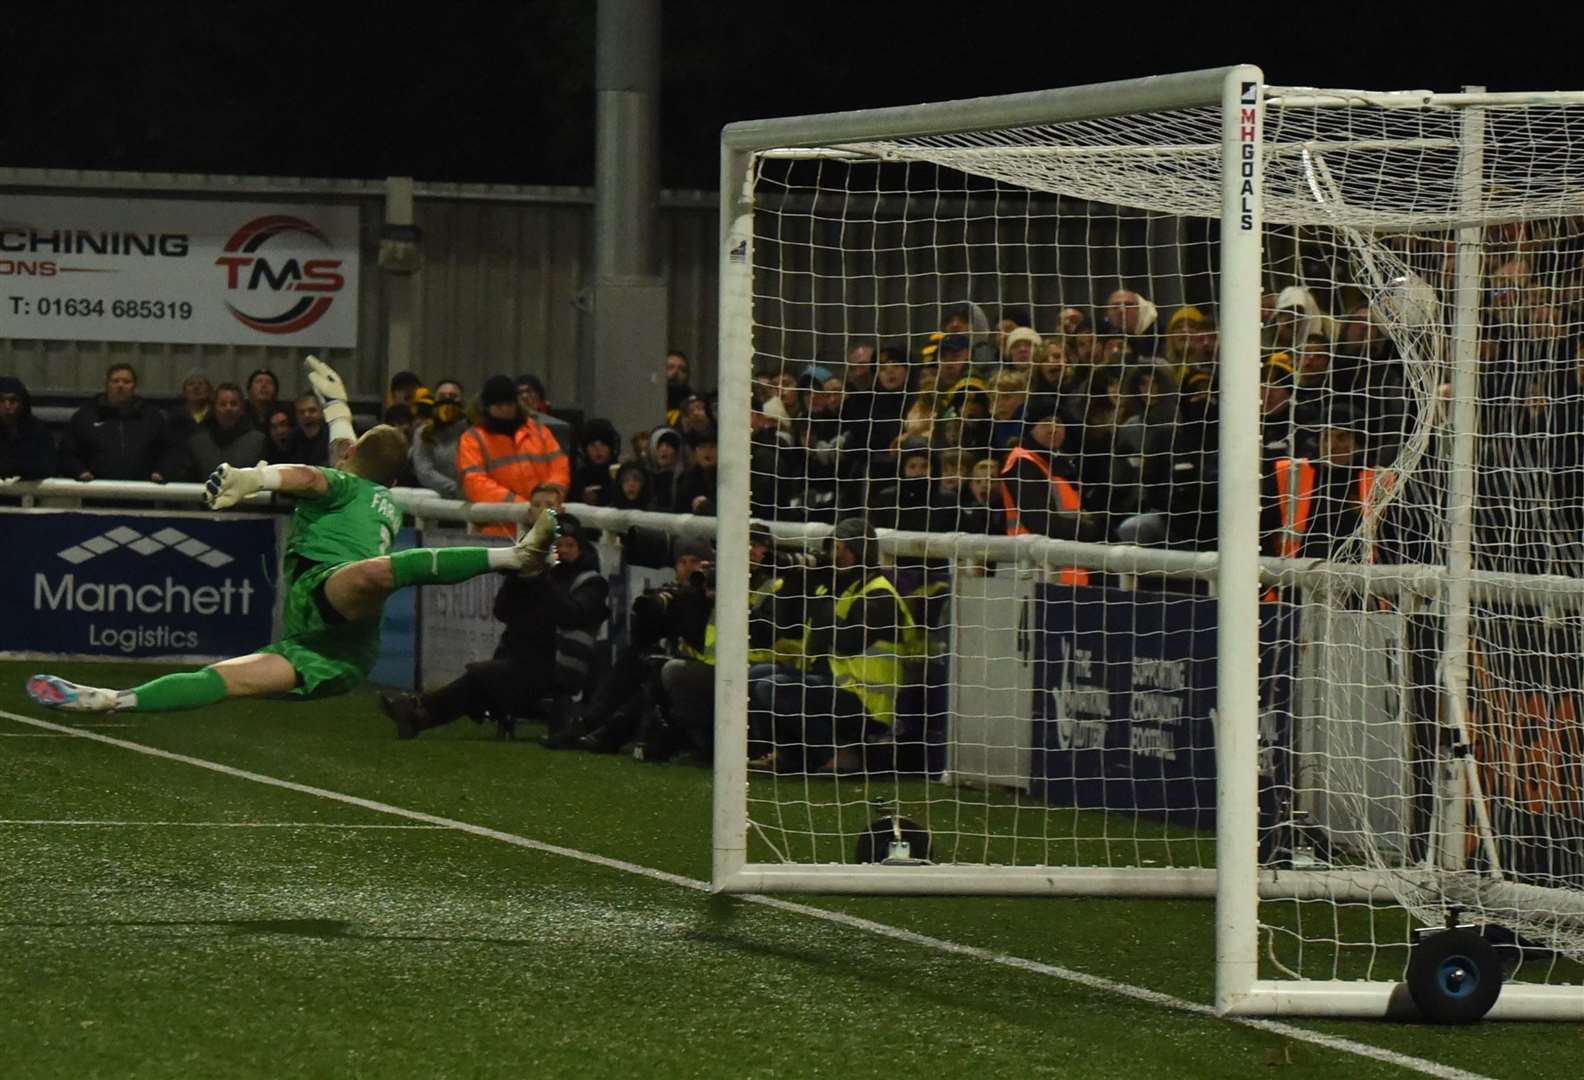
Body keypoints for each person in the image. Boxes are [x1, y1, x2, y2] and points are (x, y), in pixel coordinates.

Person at [26, 358, 563, 716]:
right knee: (226, 677)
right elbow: (342, 452)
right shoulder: (382, 499)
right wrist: (337, 407)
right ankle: (114, 700)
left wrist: (252, 478)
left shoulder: (340, 483)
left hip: (326, 606)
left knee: (374, 573)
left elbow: (310, 473)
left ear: (353, 461)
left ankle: (512, 556)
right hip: (342, 652)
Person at [376, 513, 609, 739]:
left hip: (557, 671)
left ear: (581, 547)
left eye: (570, 545)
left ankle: (416, 707)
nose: (564, 551)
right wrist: (517, 578)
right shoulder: (543, 576)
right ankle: (417, 718)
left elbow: (570, 615)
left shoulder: (591, 583)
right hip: (521, 662)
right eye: (558, 545)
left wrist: (539, 579)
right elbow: (503, 612)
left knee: (481, 679)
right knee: (477, 688)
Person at [749, 517, 921, 774]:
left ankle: (840, 755)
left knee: (774, 687)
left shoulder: (879, 594)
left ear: (859, 551)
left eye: (840, 549)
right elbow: (786, 627)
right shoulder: (837, 586)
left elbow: (848, 642)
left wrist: (824, 598)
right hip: (833, 683)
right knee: (755, 676)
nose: (833, 556)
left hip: (867, 701)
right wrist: (796, 582)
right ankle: (791, 755)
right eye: (832, 548)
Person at [457, 374, 571, 536]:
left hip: (544, 526)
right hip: (498, 532)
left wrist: (550, 497)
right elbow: (475, 483)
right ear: (487, 406)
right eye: (499, 404)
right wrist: (524, 506)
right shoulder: (473, 439)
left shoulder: (538, 430)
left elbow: (559, 466)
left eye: (510, 403)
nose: (506, 409)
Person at [58, 362, 185, 483]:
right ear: (106, 384)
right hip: (95, 493)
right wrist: (79, 471)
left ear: (134, 386)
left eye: (126, 382)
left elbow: (170, 451)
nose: (120, 385)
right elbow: (67, 452)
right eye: (115, 381)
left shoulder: (152, 418)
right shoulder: (85, 416)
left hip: (144, 493)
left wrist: (162, 472)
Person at [187, 382, 268, 479]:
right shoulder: (198, 442)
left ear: (242, 408)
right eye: (223, 404)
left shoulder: (258, 441)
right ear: (214, 408)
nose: (228, 408)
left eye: (233, 404)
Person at [410, 378, 468, 499]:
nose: (447, 400)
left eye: (453, 396)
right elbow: (424, 472)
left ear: (462, 401)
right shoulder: (423, 433)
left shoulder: (473, 432)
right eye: (442, 397)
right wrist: (457, 489)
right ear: (434, 401)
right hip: (436, 504)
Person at [0, 376, 57, 480]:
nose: (7, 406)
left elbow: (47, 467)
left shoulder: (37, 431)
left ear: (23, 403)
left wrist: (13, 468)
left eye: (13, 401)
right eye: (1, 400)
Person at [289, 392, 332, 467]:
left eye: (312, 410)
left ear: (322, 413)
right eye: (301, 412)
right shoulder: (293, 437)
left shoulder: (332, 434)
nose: (307, 415)